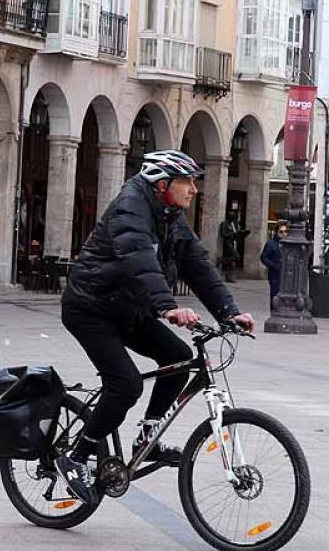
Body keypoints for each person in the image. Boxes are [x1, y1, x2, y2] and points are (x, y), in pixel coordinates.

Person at [56, 150, 255, 504]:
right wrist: (167, 307)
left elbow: (197, 265)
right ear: (162, 185)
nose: (193, 189)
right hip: (91, 309)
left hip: (128, 309)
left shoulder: (170, 215)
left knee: (177, 357)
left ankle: (147, 438)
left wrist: (229, 312)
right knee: (126, 384)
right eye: (187, 182)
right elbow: (140, 260)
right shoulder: (130, 209)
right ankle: (76, 457)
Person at [262, 222, 288, 298]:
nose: (284, 234)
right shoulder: (271, 244)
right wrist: (274, 266)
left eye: (285, 231)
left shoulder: (288, 244)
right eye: (281, 232)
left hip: (285, 275)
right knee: (275, 295)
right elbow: (264, 257)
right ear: (276, 233)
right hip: (275, 275)